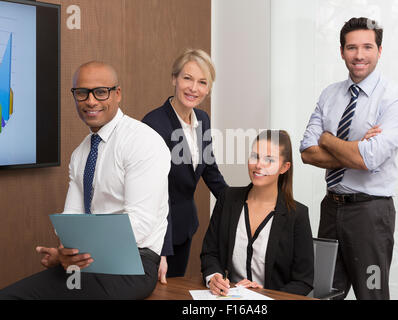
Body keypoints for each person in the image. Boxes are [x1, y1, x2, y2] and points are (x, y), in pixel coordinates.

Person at [0, 61, 171, 300]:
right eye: (82, 93)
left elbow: (140, 227)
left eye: (101, 92)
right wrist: (66, 253)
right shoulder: (81, 153)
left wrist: (80, 251)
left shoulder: (142, 142)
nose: (91, 101)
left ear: (117, 94)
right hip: (88, 263)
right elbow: (71, 219)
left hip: (134, 265)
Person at [300, 17, 398, 300]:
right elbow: (307, 152)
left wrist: (328, 139)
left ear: (379, 51)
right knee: (324, 293)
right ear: (341, 51)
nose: (359, 55)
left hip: (370, 215)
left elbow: (368, 160)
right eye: (351, 47)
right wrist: (354, 147)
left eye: (367, 47)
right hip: (331, 209)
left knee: (371, 294)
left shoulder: (394, 99)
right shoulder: (330, 95)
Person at [142, 49, 227, 282]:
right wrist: (162, 250)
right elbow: (156, 194)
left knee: (175, 290)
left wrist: (240, 204)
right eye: (187, 78)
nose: (193, 88)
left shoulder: (203, 119)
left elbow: (210, 170)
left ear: (208, 88)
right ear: (174, 79)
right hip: (159, 234)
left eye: (202, 82)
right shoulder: (154, 124)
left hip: (185, 226)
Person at [201, 130, 314, 296]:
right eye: (255, 156)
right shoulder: (228, 198)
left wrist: (264, 294)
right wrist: (214, 277)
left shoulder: (297, 215)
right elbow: (210, 253)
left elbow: (303, 281)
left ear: (284, 167)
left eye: (269, 159)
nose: (259, 165)